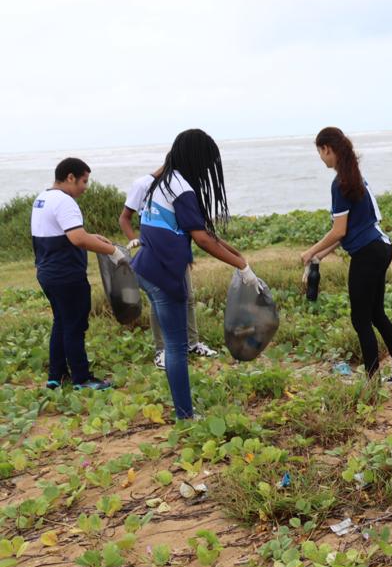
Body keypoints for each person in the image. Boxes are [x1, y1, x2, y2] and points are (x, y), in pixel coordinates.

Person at [131, 129, 261, 420]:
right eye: (207, 162)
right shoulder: (183, 189)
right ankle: (185, 416)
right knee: (176, 347)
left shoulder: (164, 182)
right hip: (164, 275)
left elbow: (204, 232)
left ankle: (184, 411)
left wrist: (239, 257)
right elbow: (202, 239)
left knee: (175, 343)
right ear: (197, 158)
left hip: (146, 269)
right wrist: (241, 267)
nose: (208, 169)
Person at [301, 127, 392, 383]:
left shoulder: (340, 183)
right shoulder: (356, 178)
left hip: (368, 254)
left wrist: (310, 250)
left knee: (360, 318)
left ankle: (372, 381)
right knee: (376, 314)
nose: (321, 158)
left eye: (320, 152)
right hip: (381, 247)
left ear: (327, 149)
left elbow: (338, 230)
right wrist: (319, 255)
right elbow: (347, 232)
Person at [31, 158, 124, 391]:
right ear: (70, 177)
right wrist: (114, 251)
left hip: (47, 273)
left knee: (61, 322)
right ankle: (82, 379)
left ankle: (56, 376)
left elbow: (66, 233)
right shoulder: (65, 201)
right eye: (84, 181)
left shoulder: (43, 198)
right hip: (67, 275)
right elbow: (77, 238)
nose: (85, 186)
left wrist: (94, 236)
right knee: (74, 325)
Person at [118, 169, 219, 369]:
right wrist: (134, 239)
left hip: (176, 252)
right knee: (159, 301)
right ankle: (161, 350)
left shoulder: (179, 184)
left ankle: (192, 343)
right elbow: (125, 218)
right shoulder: (143, 184)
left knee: (187, 296)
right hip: (154, 254)